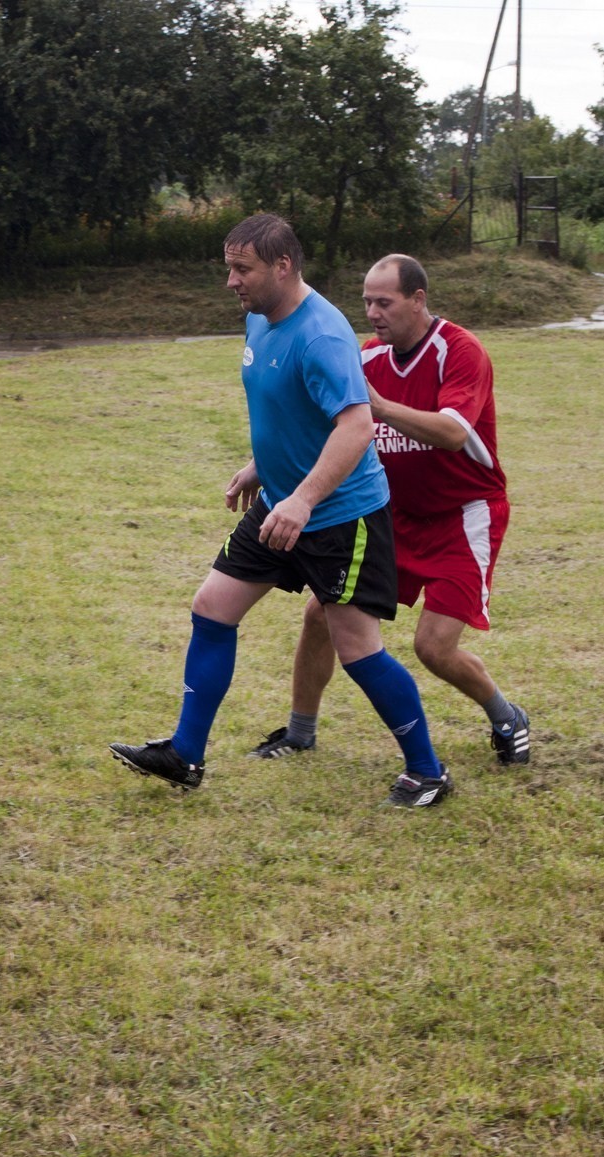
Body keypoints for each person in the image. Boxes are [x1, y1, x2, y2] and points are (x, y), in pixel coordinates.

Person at [110, 216, 452, 808]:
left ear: (283, 266)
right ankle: (185, 754)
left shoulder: (321, 335)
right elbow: (289, 410)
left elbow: (355, 426)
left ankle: (428, 770)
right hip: (281, 503)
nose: (231, 281)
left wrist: (303, 497)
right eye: (230, 267)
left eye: (242, 269)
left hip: (340, 516)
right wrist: (262, 466)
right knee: (212, 608)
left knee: (358, 651)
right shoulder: (260, 320)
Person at [249, 253, 529, 767]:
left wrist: (379, 407)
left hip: (463, 516)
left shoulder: (459, 350)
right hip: (393, 518)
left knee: (434, 648)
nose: (373, 313)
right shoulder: (367, 357)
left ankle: (506, 714)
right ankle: (300, 732)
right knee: (320, 614)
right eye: (366, 302)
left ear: (417, 300)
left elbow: (451, 433)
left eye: (385, 302)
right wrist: (259, 466)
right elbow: (324, 426)